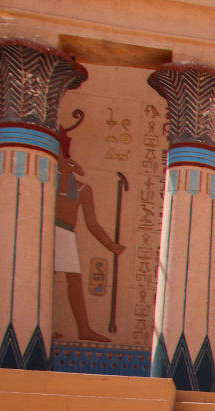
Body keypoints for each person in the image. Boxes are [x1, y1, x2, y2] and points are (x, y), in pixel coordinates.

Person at [54, 129, 122, 342]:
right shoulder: (47, 180)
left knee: (74, 280)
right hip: (48, 231)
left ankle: (83, 329)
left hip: (66, 233)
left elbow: (92, 224)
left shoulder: (83, 189)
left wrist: (111, 245)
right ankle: (41, 323)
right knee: (45, 279)